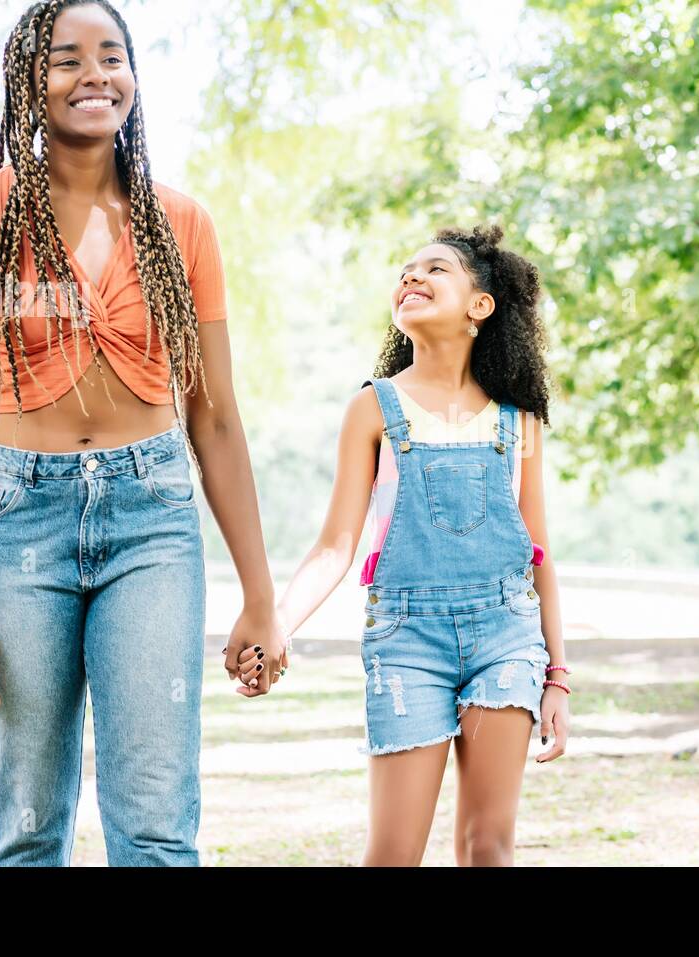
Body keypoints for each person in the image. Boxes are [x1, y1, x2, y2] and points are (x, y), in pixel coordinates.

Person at [0, 0, 287, 866]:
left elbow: (217, 416)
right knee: (31, 820)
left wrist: (261, 592)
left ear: (133, 75)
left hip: (152, 517)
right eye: (66, 58)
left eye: (111, 56)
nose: (94, 74)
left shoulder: (181, 223)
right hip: (16, 520)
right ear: (25, 80)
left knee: (157, 821)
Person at [255, 224, 572, 866]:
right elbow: (336, 545)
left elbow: (537, 554)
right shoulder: (372, 410)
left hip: (506, 638)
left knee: (488, 845)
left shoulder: (520, 423)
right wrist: (278, 622)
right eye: (404, 271)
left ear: (480, 306)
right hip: (407, 642)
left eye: (435, 269)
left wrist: (558, 676)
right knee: (394, 854)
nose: (411, 277)